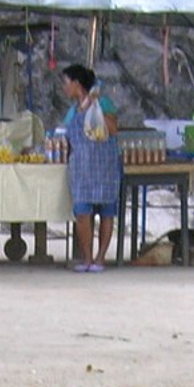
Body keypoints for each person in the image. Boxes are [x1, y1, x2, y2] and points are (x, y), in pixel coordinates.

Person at [60, 63, 119, 273]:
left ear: (77, 84)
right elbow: (65, 135)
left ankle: (101, 257)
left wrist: (95, 106)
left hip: (104, 165)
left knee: (106, 211)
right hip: (82, 168)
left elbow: (112, 129)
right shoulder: (73, 111)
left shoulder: (103, 102)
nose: (64, 88)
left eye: (66, 83)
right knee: (82, 211)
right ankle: (86, 257)